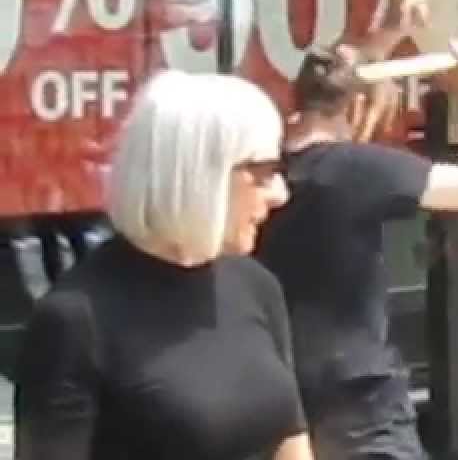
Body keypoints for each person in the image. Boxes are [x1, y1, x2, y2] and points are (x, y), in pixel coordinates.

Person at [254, 0, 458, 460]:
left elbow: (345, 80)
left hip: (276, 396)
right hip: (358, 401)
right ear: (360, 109)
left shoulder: (259, 171)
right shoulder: (360, 170)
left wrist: (388, 35)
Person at [14, 70, 312, 460]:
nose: (280, 194)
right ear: (197, 174)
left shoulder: (256, 286)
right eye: (263, 173)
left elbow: (291, 439)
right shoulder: (76, 319)